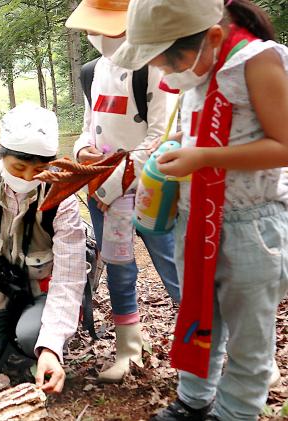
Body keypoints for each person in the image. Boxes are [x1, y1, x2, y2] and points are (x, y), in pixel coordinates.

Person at [111, 0, 288, 419]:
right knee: (198, 312)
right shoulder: (200, 68)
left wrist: (204, 157)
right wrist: (174, 147)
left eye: (167, 63)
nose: (166, 74)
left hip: (252, 227)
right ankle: (193, 400)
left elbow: (284, 147)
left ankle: (235, 412)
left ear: (211, 37)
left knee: (249, 337)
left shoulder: (256, 62)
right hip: (197, 219)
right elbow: (204, 129)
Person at [66, 0, 181, 383]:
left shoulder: (157, 68)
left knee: (175, 266)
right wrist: (82, 153)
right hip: (102, 192)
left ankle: (210, 344)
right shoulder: (92, 71)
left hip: (152, 189)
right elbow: (90, 124)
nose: (100, 35)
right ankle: (129, 350)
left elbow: (159, 136)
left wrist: (113, 184)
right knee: (118, 269)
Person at [0, 103, 87, 394]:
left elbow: (69, 277)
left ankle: (31, 340)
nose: (27, 178)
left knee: (32, 337)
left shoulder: (62, 198)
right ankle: (11, 336)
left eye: (39, 169)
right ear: (2, 154)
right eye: (18, 167)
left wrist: (50, 348)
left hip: (42, 292)